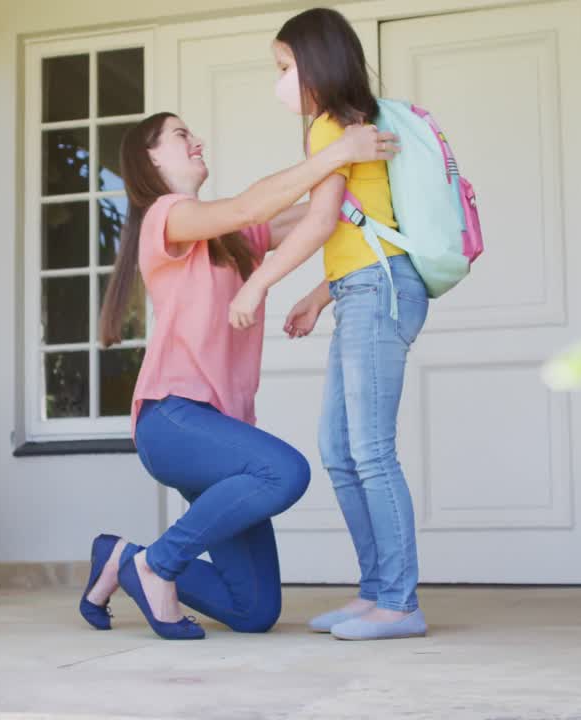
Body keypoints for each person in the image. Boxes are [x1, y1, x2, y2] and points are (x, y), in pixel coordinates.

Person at [80, 111, 399, 639]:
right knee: (285, 472)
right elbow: (251, 205)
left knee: (252, 610)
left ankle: (124, 558)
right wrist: (339, 150)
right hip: (173, 418)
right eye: (181, 135)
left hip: (219, 431)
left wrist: (368, 176)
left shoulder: (231, 238)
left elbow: (323, 213)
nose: (197, 140)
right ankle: (157, 565)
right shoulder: (164, 217)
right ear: (150, 157)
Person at [227, 7, 431, 641]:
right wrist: (322, 294)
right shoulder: (347, 127)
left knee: (368, 450)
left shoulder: (330, 128)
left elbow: (319, 223)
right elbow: (361, 227)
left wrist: (260, 281)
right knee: (341, 451)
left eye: (284, 66)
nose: (280, 81)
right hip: (363, 287)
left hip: (378, 291)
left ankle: (398, 601)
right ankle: (375, 593)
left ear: (314, 66)